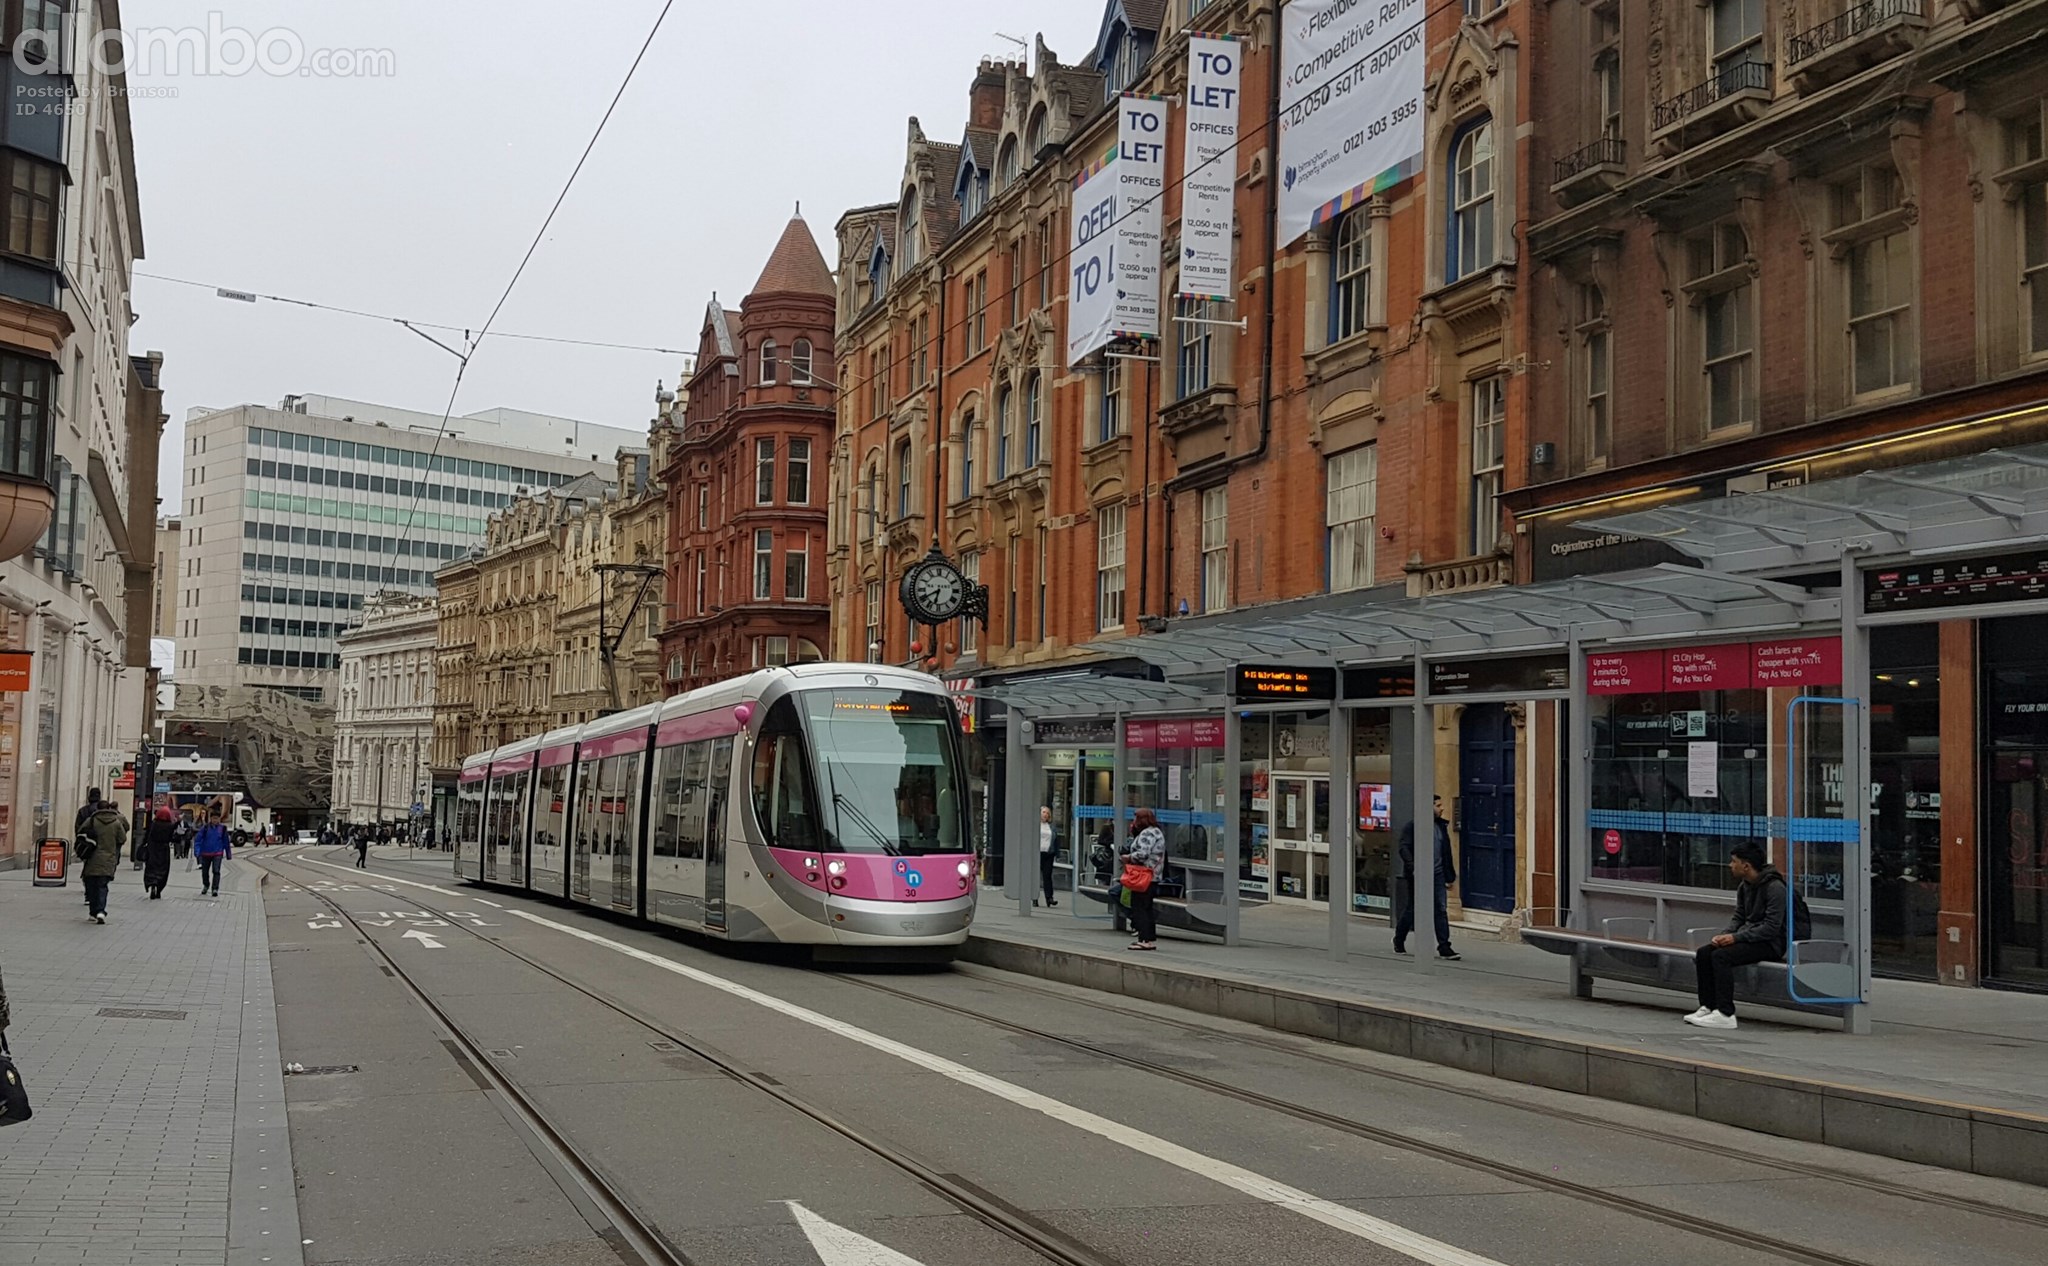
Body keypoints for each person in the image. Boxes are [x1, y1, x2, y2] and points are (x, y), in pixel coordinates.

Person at [1689, 843, 1799, 1030]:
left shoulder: (1775, 888)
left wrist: (1736, 939)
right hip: (1748, 938)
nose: (1730, 865)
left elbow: (1771, 928)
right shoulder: (1745, 886)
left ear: (1746, 866)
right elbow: (1739, 916)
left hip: (1770, 944)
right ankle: (1708, 1006)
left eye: (1734, 862)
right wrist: (1725, 935)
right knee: (1705, 953)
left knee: (1721, 956)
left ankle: (1725, 1013)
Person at [1394, 796, 1460, 960]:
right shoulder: (1413, 826)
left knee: (1440, 909)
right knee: (1413, 908)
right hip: (1418, 873)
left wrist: (1449, 876)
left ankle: (1444, 946)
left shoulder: (1441, 826)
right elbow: (1404, 848)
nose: (1442, 808)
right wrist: (1413, 867)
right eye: (1438, 805)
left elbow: (1446, 853)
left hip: (1437, 873)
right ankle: (1399, 939)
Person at [1121, 807, 1166, 952]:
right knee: (1146, 906)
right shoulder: (1156, 831)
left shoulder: (1148, 833)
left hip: (1145, 876)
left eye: (1136, 819)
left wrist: (1128, 857)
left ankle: (1145, 938)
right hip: (1152, 876)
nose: (1134, 821)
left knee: (1140, 906)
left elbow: (1143, 853)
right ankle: (1147, 938)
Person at [77, 798, 128, 924]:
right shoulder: (116, 822)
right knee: (102, 886)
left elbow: (80, 832)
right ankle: (101, 911)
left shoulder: (92, 820)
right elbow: (122, 839)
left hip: (92, 857)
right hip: (108, 858)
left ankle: (93, 912)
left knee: (92, 884)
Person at [192, 809, 231, 898]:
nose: (215, 820)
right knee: (205, 872)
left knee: (216, 871)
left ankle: (215, 889)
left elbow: (226, 842)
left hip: (218, 853)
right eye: (214, 818)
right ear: (210, 819)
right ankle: (206, 885)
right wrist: (197, 852)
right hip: (205, 853)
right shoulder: (205, 828)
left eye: (217, 819)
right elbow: (198, 840)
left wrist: (228, 854)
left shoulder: (222, 829)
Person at [141, 807, 175, 899]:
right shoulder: (170, 826)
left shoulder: (153, 824)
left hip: (152, 848)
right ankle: (159, 889)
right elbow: (172, 838)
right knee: (163, 869)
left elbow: (147, 835)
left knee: (151, 867)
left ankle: (152, 884)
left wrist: (143, 844)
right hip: (164, 849)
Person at [1035, 806, 1058, 908]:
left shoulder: (1051, 827)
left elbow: (1055, 839)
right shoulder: (1035, 825)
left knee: (1047, 876)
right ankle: (1034, 898)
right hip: (1037, 853)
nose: (1045, 814)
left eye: (1047, 813)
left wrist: (1057, 852)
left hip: (1048, 853)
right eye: (1043, 812)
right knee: (1035, 877)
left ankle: (1049, 898)